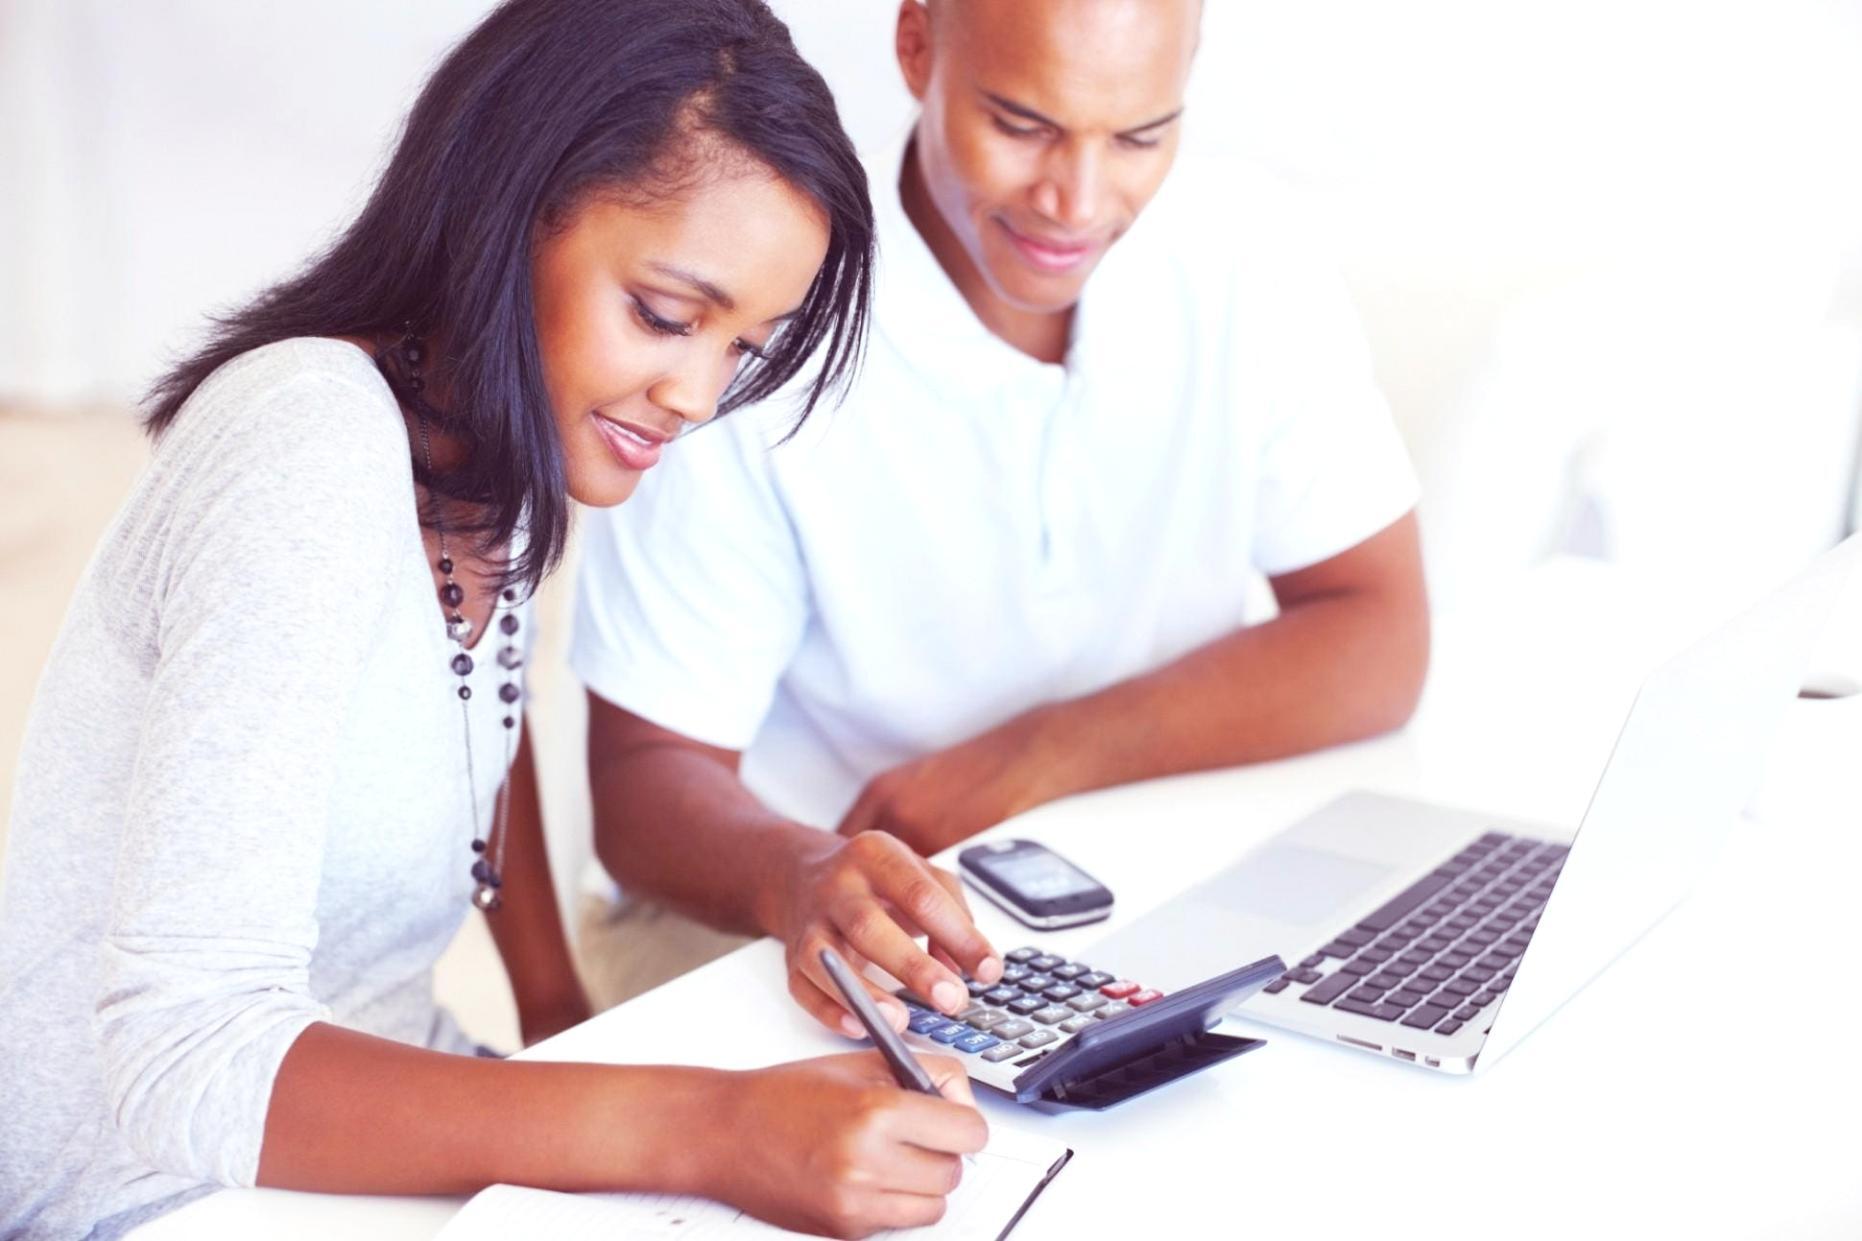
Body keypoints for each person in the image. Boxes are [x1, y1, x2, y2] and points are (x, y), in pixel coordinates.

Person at [0, 3, 989, 1238]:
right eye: (668, 315)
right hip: (147, 1187)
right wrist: (699, 1124)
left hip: (370, 1115)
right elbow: (186, 1055)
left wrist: (555, 1004)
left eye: (745, 347)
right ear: (506, 216)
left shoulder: (501, 457)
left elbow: (473, 710)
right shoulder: (305, 442)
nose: (694, 394)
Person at [573, 0, 1431, 1038]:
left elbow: (1378, 633)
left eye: (1139, 135)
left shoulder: (1246, 255)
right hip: (785, 911)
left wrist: (1034, 758)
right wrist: (805, 874)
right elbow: (642, 786)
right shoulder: (762, 299)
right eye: (1021, 125)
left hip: (1132, 882)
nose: (1075, 199)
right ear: (915, 46)